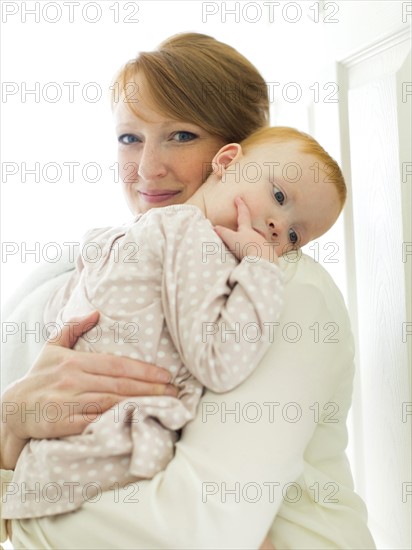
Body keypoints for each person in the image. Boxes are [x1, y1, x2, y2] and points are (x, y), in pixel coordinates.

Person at [0, 33, 376, 549]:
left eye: (180, 135)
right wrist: (8, 429)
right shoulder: (79, 277)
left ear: (232, 154)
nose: (148, 168)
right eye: (129, 138)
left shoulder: (283, 287)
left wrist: (11, 505)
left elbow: (188, 531)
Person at [2, 124, 344, 520]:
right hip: (104, 453)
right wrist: (260, 269)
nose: (276, 229)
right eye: (279, 196)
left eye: (294, 236)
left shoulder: (129, 235)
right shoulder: (196, 239)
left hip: (54, 457)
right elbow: (219, 364)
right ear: (228, 161)